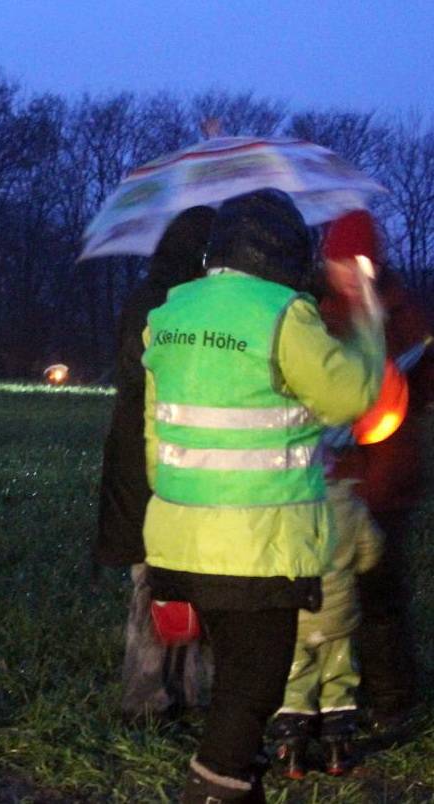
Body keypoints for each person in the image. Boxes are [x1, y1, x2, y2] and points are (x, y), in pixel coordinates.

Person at [141, 189, 384, 803]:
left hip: (177, 539)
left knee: (234, 683)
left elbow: (155, 436)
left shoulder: (169, 314)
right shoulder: (282, 314)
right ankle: (214, 789)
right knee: (253, 692)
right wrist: (369, 320)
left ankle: (239, 787)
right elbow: (352, 397)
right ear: (282, 251)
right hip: (261, 547)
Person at [93, 207, 217, 720]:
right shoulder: (167, 303)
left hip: (146, 451)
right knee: (157, 580)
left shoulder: (160, 295)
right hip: (153, 454)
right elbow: (142, 372)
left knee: (182, 576)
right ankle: (147, 695)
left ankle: (182, 689)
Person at [317, 210, 433, 736]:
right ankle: (334, 695)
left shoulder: (405, 317)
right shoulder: (317, 316)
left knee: (381, 595)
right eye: (337, 261)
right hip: (334, 478)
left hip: (387, 482)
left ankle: (392, 703)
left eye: (355, 261)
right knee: (331, 593)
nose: (346, 271)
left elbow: (422, 388)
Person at [271, 483, 381, 778]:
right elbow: (371, 551)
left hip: (298, 613)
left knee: (295, 679)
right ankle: (337, 751)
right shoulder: (352, 504)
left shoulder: (286, 503)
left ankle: (292, 751)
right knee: (339, 677)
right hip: (338, 615)